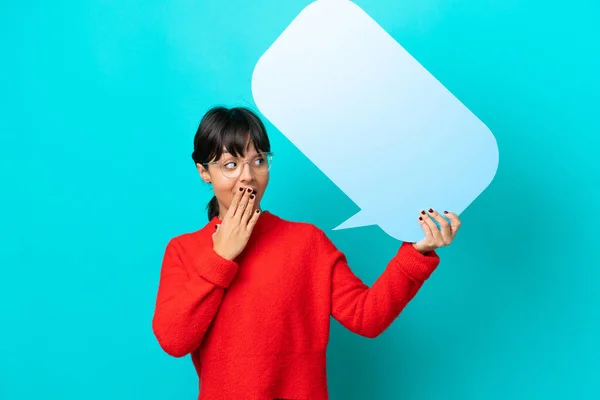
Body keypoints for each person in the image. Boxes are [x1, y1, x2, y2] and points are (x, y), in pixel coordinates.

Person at [152, 106, 461, 400]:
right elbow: (175, 340)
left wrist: (417, 252)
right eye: (231, 165)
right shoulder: (184, 250)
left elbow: (367, 317)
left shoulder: (306, 242)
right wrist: (221, 257)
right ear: (204, 172)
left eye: (258, 160)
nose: (248, 176)